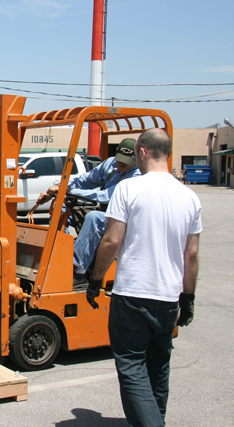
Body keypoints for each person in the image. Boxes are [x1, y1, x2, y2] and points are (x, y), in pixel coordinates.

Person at [87, 128, 202, 427]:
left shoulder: (129, 189)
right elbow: (191, 255)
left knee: (132, 368)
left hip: (133, 296)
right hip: (168, 298)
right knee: (158, 367)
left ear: (142, 152)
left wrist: (96, 280)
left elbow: (112, 241)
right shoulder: (190, 197)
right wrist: (188, 298)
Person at [36, 138, 141, 285]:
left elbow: (105, 196)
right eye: (120, 159)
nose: (121, 164)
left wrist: (69, 191)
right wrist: (59, 189)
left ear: (136, 159)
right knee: (61, 207)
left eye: (126, 161)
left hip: (122, 219)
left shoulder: (137, 175)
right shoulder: (110, 164)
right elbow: (84, 181)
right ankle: (60, 252)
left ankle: (79, 271)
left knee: (94, 217)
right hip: (107, 214)